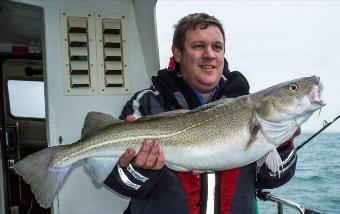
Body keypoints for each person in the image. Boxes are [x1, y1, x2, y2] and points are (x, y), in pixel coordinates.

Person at [104, 13, 299, 214]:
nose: (210, 54)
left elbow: (273, 178)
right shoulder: (146, 103)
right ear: (177, 53)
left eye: (217, 47)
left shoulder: (248, 107)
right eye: (198, 46)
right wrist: (141, 170)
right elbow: (119, 183)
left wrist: (281, 144)